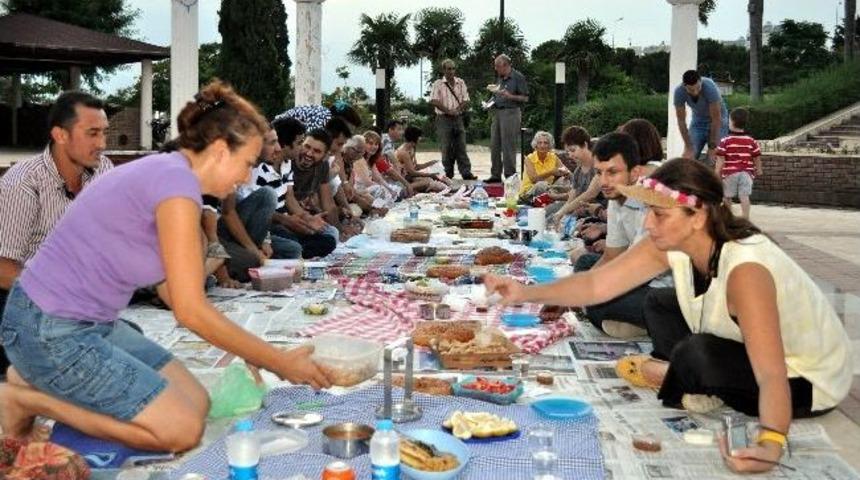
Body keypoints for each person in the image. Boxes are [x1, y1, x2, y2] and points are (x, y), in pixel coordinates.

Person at [0, 80, 332, 452]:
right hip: (47, 327)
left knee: (198, 404)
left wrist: (251, 351)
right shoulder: (174, 186)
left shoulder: (175, 180)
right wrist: (278, 362)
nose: (244, 178)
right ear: (221, 151)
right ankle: (23, 400)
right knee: (181, 431)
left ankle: (31, 379)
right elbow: (190, 310)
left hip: (94, 325)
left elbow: (174, 293)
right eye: (246, 164)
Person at [485, 158, 852, 474]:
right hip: (750, 353)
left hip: (804, 380)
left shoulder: (746, 271)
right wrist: (524, 292)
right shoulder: (677, 243)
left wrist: (771, 443)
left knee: (696, 354)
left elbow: (772, 373)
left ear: (698, 216)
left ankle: (684, 376)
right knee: (660, 303)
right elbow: (598, 285)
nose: (648, 224)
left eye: (659, 214)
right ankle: (688, 377)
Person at [0, 91, 113, 375]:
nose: (102, 144)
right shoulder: (23, 183)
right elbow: (2, 269)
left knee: (129, 346)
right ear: (60, 135)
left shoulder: (103, 170)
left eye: (104, 133)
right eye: (92, 134)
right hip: (20, 299)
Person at [571, 133, 672, 338]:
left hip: (666, 291)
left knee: (601, 297)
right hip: (638, 280)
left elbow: (636, 269)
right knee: (584, 265)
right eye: (599, 173)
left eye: (613, 172)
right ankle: (626, 322)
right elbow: (611, 256)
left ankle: (639, 323)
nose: (604, 182)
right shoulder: (616, 197)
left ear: (635, 173)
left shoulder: (652, 200)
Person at [267, 117, 337, 259]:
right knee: (293, 247)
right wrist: (294, 221)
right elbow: (260, 211)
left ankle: (295, 250)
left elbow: (289, 198)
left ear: (325, 156)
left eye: (316, 151)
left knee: (331, 235)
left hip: (290, 220)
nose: (307, 153)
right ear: (286, 144)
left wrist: (308, 219)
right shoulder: (268, 165)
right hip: (273, 224)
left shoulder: (286, 164)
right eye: (303, 145)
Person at [429, 59, 476, 181]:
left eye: (453, 68)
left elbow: (466, 100)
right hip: (443, 118)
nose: (451, 71)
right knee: (446, 146)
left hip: (457, 118)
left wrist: (457, 110)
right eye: (448, 69)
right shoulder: (438, 84)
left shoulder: (460, 82)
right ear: (443, 70)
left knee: (461, 146)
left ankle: (466, 172)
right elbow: (433, 100)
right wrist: (448, 111)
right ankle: (447, 173)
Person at [487, 54, 529, 183]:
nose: (495, 69)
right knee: (494, 145)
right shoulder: (500, 77)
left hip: (511, 113)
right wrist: (489, 102)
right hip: (497, 113)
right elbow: (497, 94)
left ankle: (510, 176)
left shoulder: (518, 77)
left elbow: (525, 98)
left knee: (508, 146)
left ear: (505, 65)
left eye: (497, 66)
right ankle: (495, 175)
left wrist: (510, 96)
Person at [715, 107, 762, 219]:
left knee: (727, 196)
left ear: (731, 122)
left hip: (730, 173)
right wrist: (759, 169)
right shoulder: (751, 141)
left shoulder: (725, 141)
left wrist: (716, 172)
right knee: (744, 196)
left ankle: (728, 218)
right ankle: (745, 217)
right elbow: (756, 157)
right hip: (747, 173)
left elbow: (721, 160)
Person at [674, 70, 728, 163]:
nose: (695, 92)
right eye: (691, 90)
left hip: (719, 121)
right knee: (689, 158)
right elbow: (681, 121)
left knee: (714, 158)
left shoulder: (710, 87)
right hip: (698, 121)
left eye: (698, 88)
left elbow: (716, 119)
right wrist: (688, 147)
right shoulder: (679, 92)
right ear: (684, 85)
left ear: (701, 82)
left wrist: (712, 146)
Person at [550, 126, 602, 224]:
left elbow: (589, 194)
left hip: (598, 215)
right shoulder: (578, 171)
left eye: (573, 150)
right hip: (581, 212)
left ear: (585, 145)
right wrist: (559, 214)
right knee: (550, 215)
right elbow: (571, 199)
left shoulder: (599, 165)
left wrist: (562, 212)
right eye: (568, 152)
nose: (570, 155)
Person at [395, 126, 450, 193]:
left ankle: (418, 189)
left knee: (441, 181)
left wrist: (430, 163)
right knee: (428, 181)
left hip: (410, 176)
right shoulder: (404, 152)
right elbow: (412, 172)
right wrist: (430, 175)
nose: (420, 139)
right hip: (404, 178)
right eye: (419, 136)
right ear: (414, 137)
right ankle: (405, 189)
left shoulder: (412, 148)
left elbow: (416, 166)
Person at [518, 130, 566, 203]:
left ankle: (554, 197)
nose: (542, 145)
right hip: (529, 192)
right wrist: (551, 172)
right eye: (539, 143)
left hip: (548, 188)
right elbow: (533, 179)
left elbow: (565, 170)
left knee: (563, 179)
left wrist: (563, 172)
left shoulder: (553, 157)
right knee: (542, 184)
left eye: (545, 143)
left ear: (549, 145)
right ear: (536, 145)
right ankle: (554, 197)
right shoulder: (529, 158)